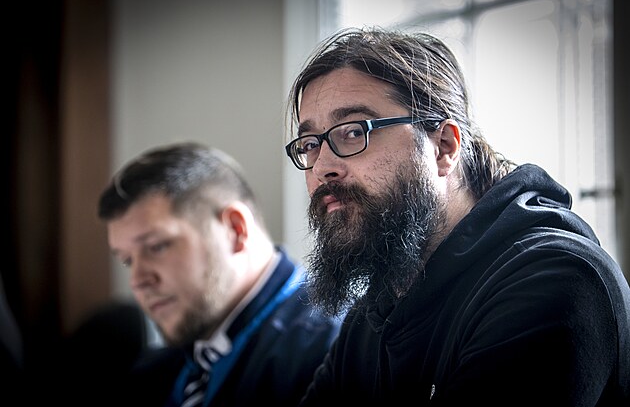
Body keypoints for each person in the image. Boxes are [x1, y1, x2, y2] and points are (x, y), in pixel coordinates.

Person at [284, 26, 630, 406]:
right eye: (310, 144)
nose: (323, 167)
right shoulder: (374, 313)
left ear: (444, 147)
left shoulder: (554, 280)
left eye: (353, 132)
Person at [97, 142, 341, 407]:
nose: (137, 280)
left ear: (235, 230)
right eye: (127, 260)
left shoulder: (335, 355)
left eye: (157, 247)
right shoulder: (155, 372)